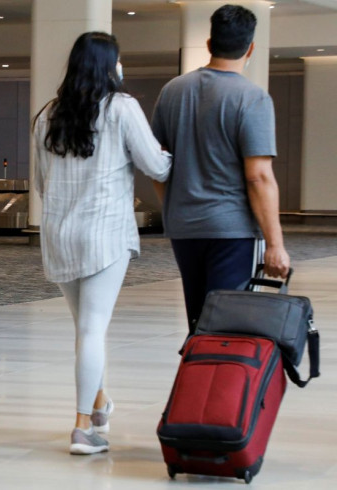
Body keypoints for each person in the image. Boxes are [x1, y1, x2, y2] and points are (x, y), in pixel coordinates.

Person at [33, 32, 171, 455]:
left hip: (59, 233)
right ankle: (82, 427)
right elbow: (157, 166)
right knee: (93, 329)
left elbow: (40, 183)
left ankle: (100, 403)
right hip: (104, 234)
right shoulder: (121, 108)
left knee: (85, 329)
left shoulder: (47, 115)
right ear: (110, 66)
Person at [151, 4, 290, 340]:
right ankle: (221, 391)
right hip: (232, 230)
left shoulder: (173, 91)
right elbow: (258, 176)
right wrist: (276, 244)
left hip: (185, 227)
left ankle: (199, 390)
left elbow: (157, 165)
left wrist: (175, 205)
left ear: (210, 44)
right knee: (227, 326)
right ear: (251, 48)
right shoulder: (252, 98)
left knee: (199, 322)